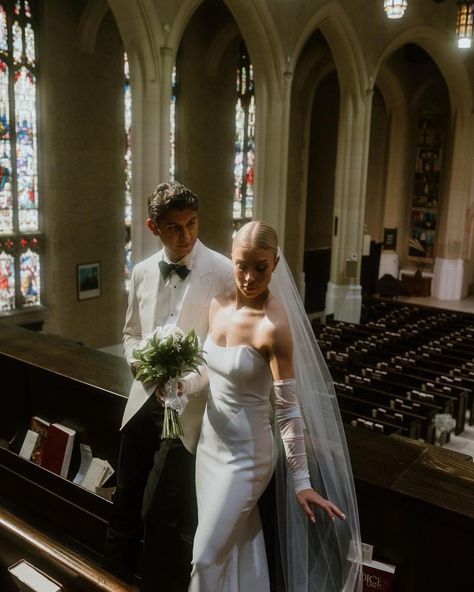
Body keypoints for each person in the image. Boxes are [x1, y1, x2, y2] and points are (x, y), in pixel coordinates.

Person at [180, 221, 362, 592]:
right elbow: (207, 371)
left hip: (247, 459)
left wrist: (301, 482)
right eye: (240, 265)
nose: (248, 277)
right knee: (234, 546)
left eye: (259, 267)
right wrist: (178, 385)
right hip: (209, 449)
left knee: (204, 557)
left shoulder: (273, 326)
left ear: (275, 263)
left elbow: (288, 409)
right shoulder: (217, 306)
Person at [103, 181, 234, 591]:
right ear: (153, 227)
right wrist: (141, 365)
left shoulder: (224, 272)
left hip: (188, 411)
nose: (187, 235)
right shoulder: (142, 271)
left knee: (159, 514)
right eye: (174, 227)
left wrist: (184, 383)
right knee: (124, 502)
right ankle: (108, 581)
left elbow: (222, 351)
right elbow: (129, 335)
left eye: (192, 223)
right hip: (143, 401)